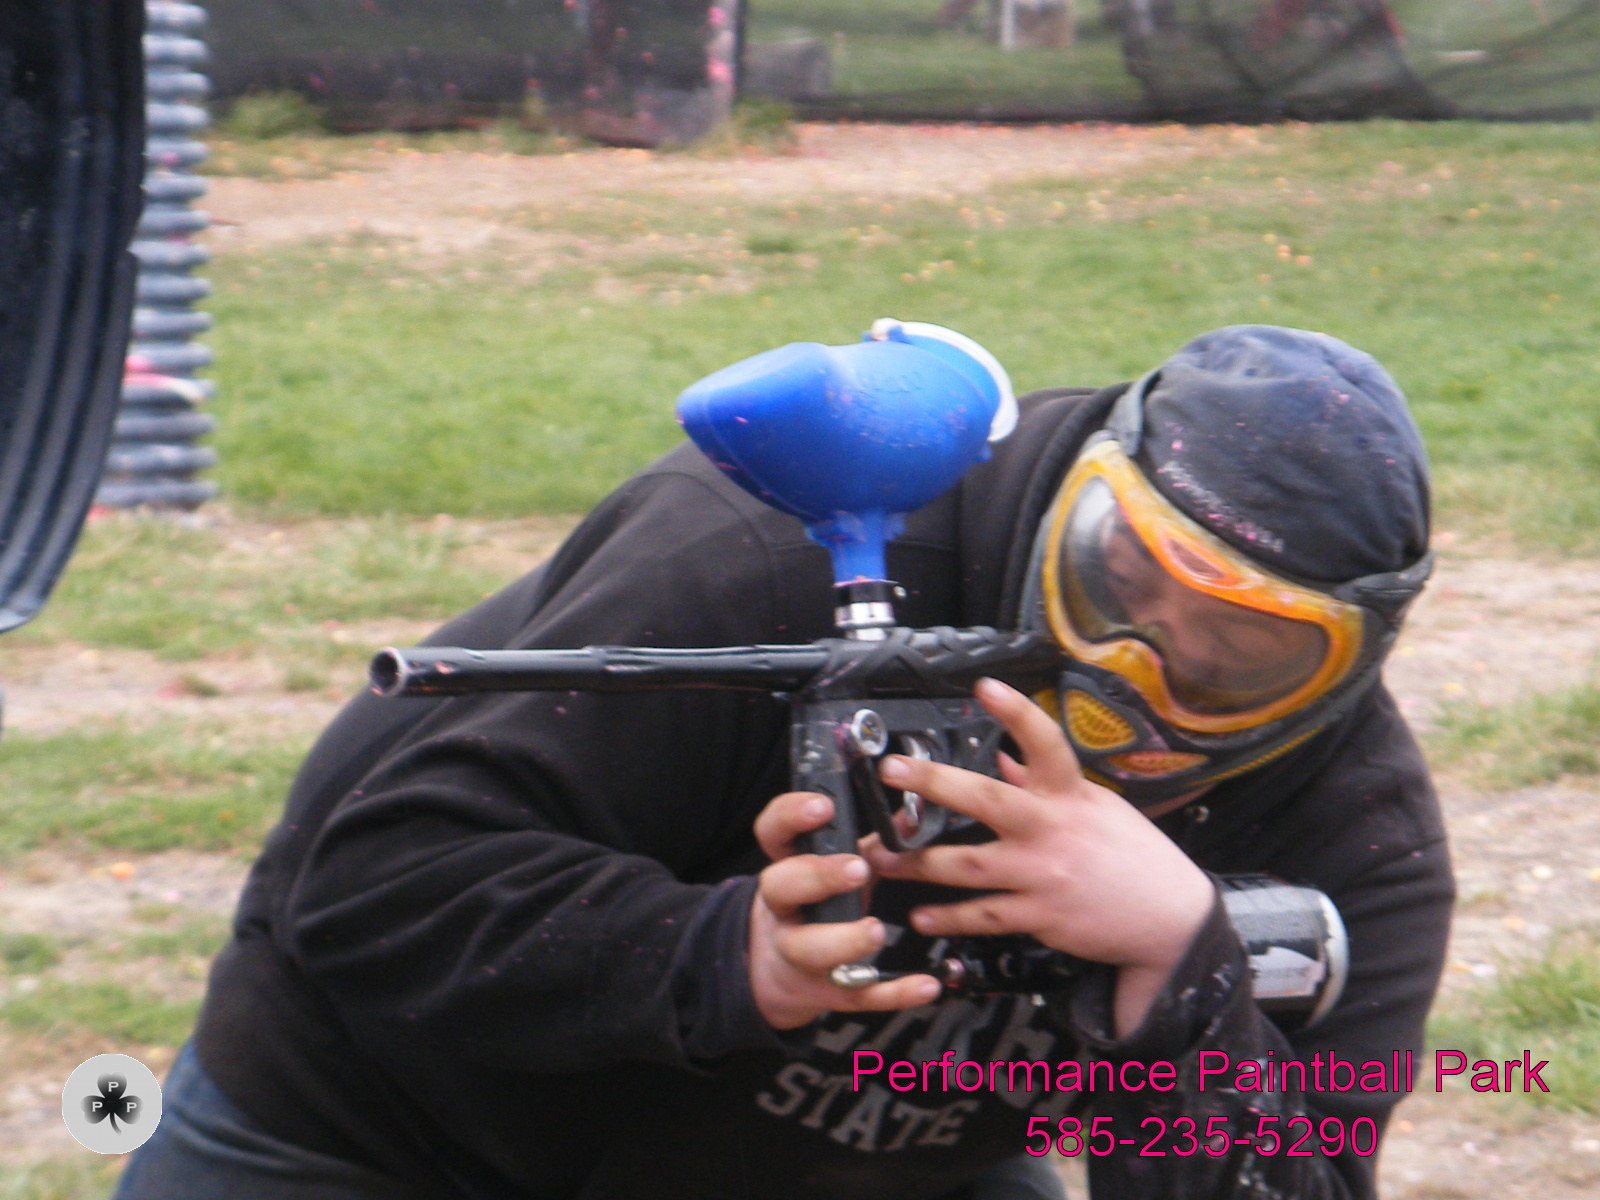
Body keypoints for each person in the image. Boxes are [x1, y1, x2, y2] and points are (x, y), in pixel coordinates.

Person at [115, 324, 1452, 1200]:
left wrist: (1180, 967)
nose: (1136, 682)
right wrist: (726, 955)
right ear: (1072, 503)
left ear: (1338, 673)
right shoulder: (767, 557)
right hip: (390, 1135)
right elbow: (370, 884)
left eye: (1237, 657)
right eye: (1121, 586)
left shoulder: (1350, 835)